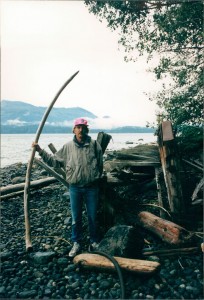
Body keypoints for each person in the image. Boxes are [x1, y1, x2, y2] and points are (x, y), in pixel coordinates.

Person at [32, 118, 103, 257]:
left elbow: (100, 165)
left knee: (92, 217)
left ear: (87, 129)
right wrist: (40, 150)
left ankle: (94, 241)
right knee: (76, 217)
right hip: (75, 188)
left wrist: (94, 177)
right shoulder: (67, 147)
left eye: (83, 127)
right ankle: (76, 242)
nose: (81, 130)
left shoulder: (95, 145)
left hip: (91, 188)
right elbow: (54, 161)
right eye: (78, 127)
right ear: (74, 129)